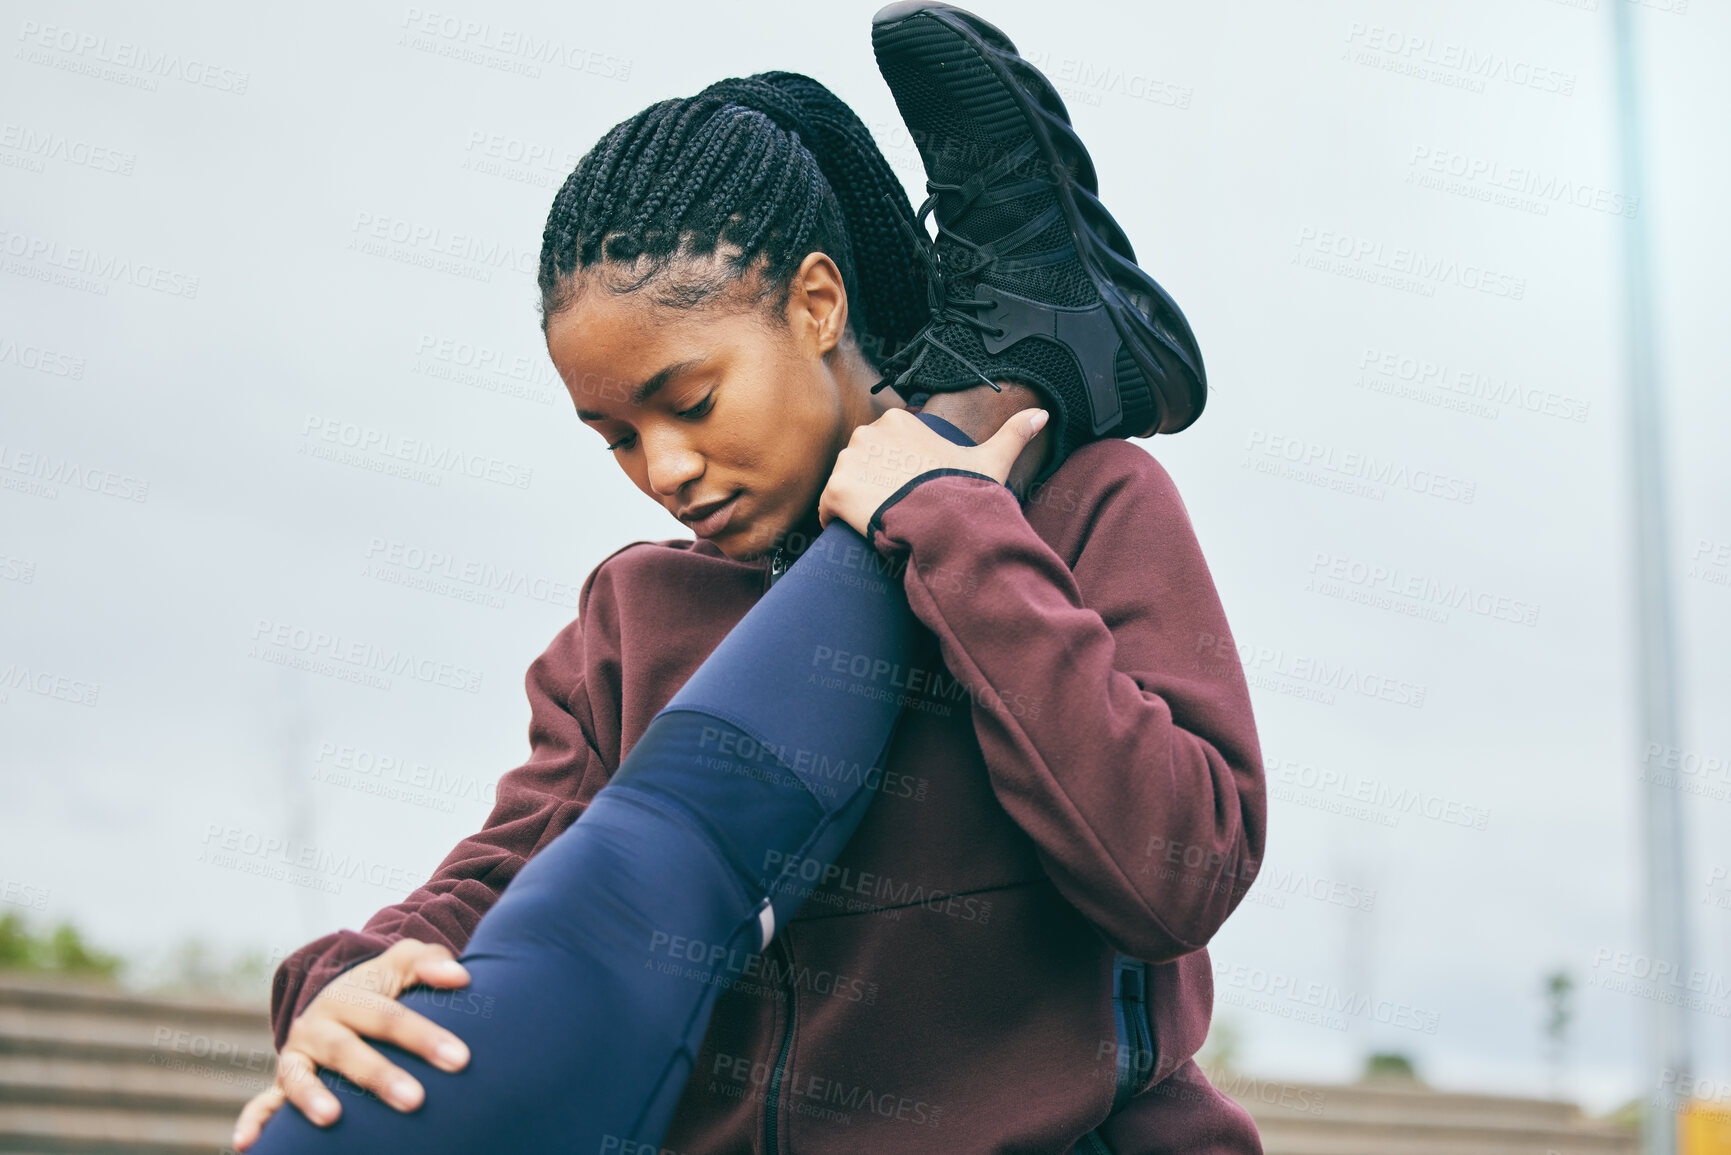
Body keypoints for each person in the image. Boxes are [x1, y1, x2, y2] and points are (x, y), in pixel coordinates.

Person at [235, 6, 1266, 1153]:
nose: (663, 470)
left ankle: (1008, 367)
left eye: (690, 402)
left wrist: (953, 523)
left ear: (818, 304)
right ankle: (1021, 351)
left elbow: (1183, 871)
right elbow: (505, 874)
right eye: (615, 437)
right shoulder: (636, 616)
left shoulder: (1076, 511)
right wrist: (344, 978)